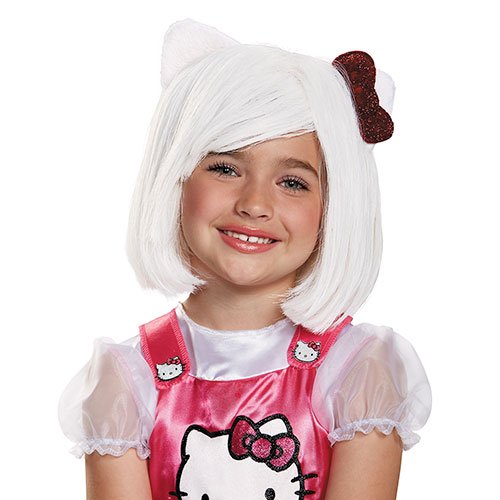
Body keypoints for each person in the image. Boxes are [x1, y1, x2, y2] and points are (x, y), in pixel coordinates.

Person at [58, 18, 432, 500]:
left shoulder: (357, 373)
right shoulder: (127, 381)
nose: (255, 204)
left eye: (293, 182)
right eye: (225, 168)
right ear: (175, 178)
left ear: (333, 208)